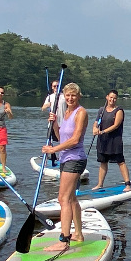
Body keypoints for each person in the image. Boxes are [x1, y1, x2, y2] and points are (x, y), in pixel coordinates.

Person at [42, 82, 88, 250]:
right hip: (65, 159)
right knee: (71, 198)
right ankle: (78, 234)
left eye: (73, 95)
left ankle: (64, 240)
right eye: (67, 95)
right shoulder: (67, 113)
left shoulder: (80, 113)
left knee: (63, 199)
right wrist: (54, 124)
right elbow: (61, 135)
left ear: (78, 96)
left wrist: (53, 149)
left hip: (75, 159)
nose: (70, 98)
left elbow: (75, 139)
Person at [92, 89, 131, 190]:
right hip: (103, 141)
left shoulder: (119, 110)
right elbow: (96, 121)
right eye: (111, 97)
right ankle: (100, 184)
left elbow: (116, 125)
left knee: (120, 161)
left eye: (114, 98)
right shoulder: (102, 110)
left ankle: (127, 184)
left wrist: (103, 131)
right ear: (107, 97)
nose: (112, 100)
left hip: (115, 141)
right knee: (103, 162)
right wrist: (95, 128)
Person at [41, 79, 65, 165]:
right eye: (54, 86)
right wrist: (47, 105)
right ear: (52, 87)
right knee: (49, 141)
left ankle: (63, 157)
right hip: (51, 123)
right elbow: (43, 108)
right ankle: (52, 157)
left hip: (62, 123)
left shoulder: (64, 96)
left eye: (58, 86)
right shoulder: (49, 97)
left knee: (62, 141)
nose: (56, 88)